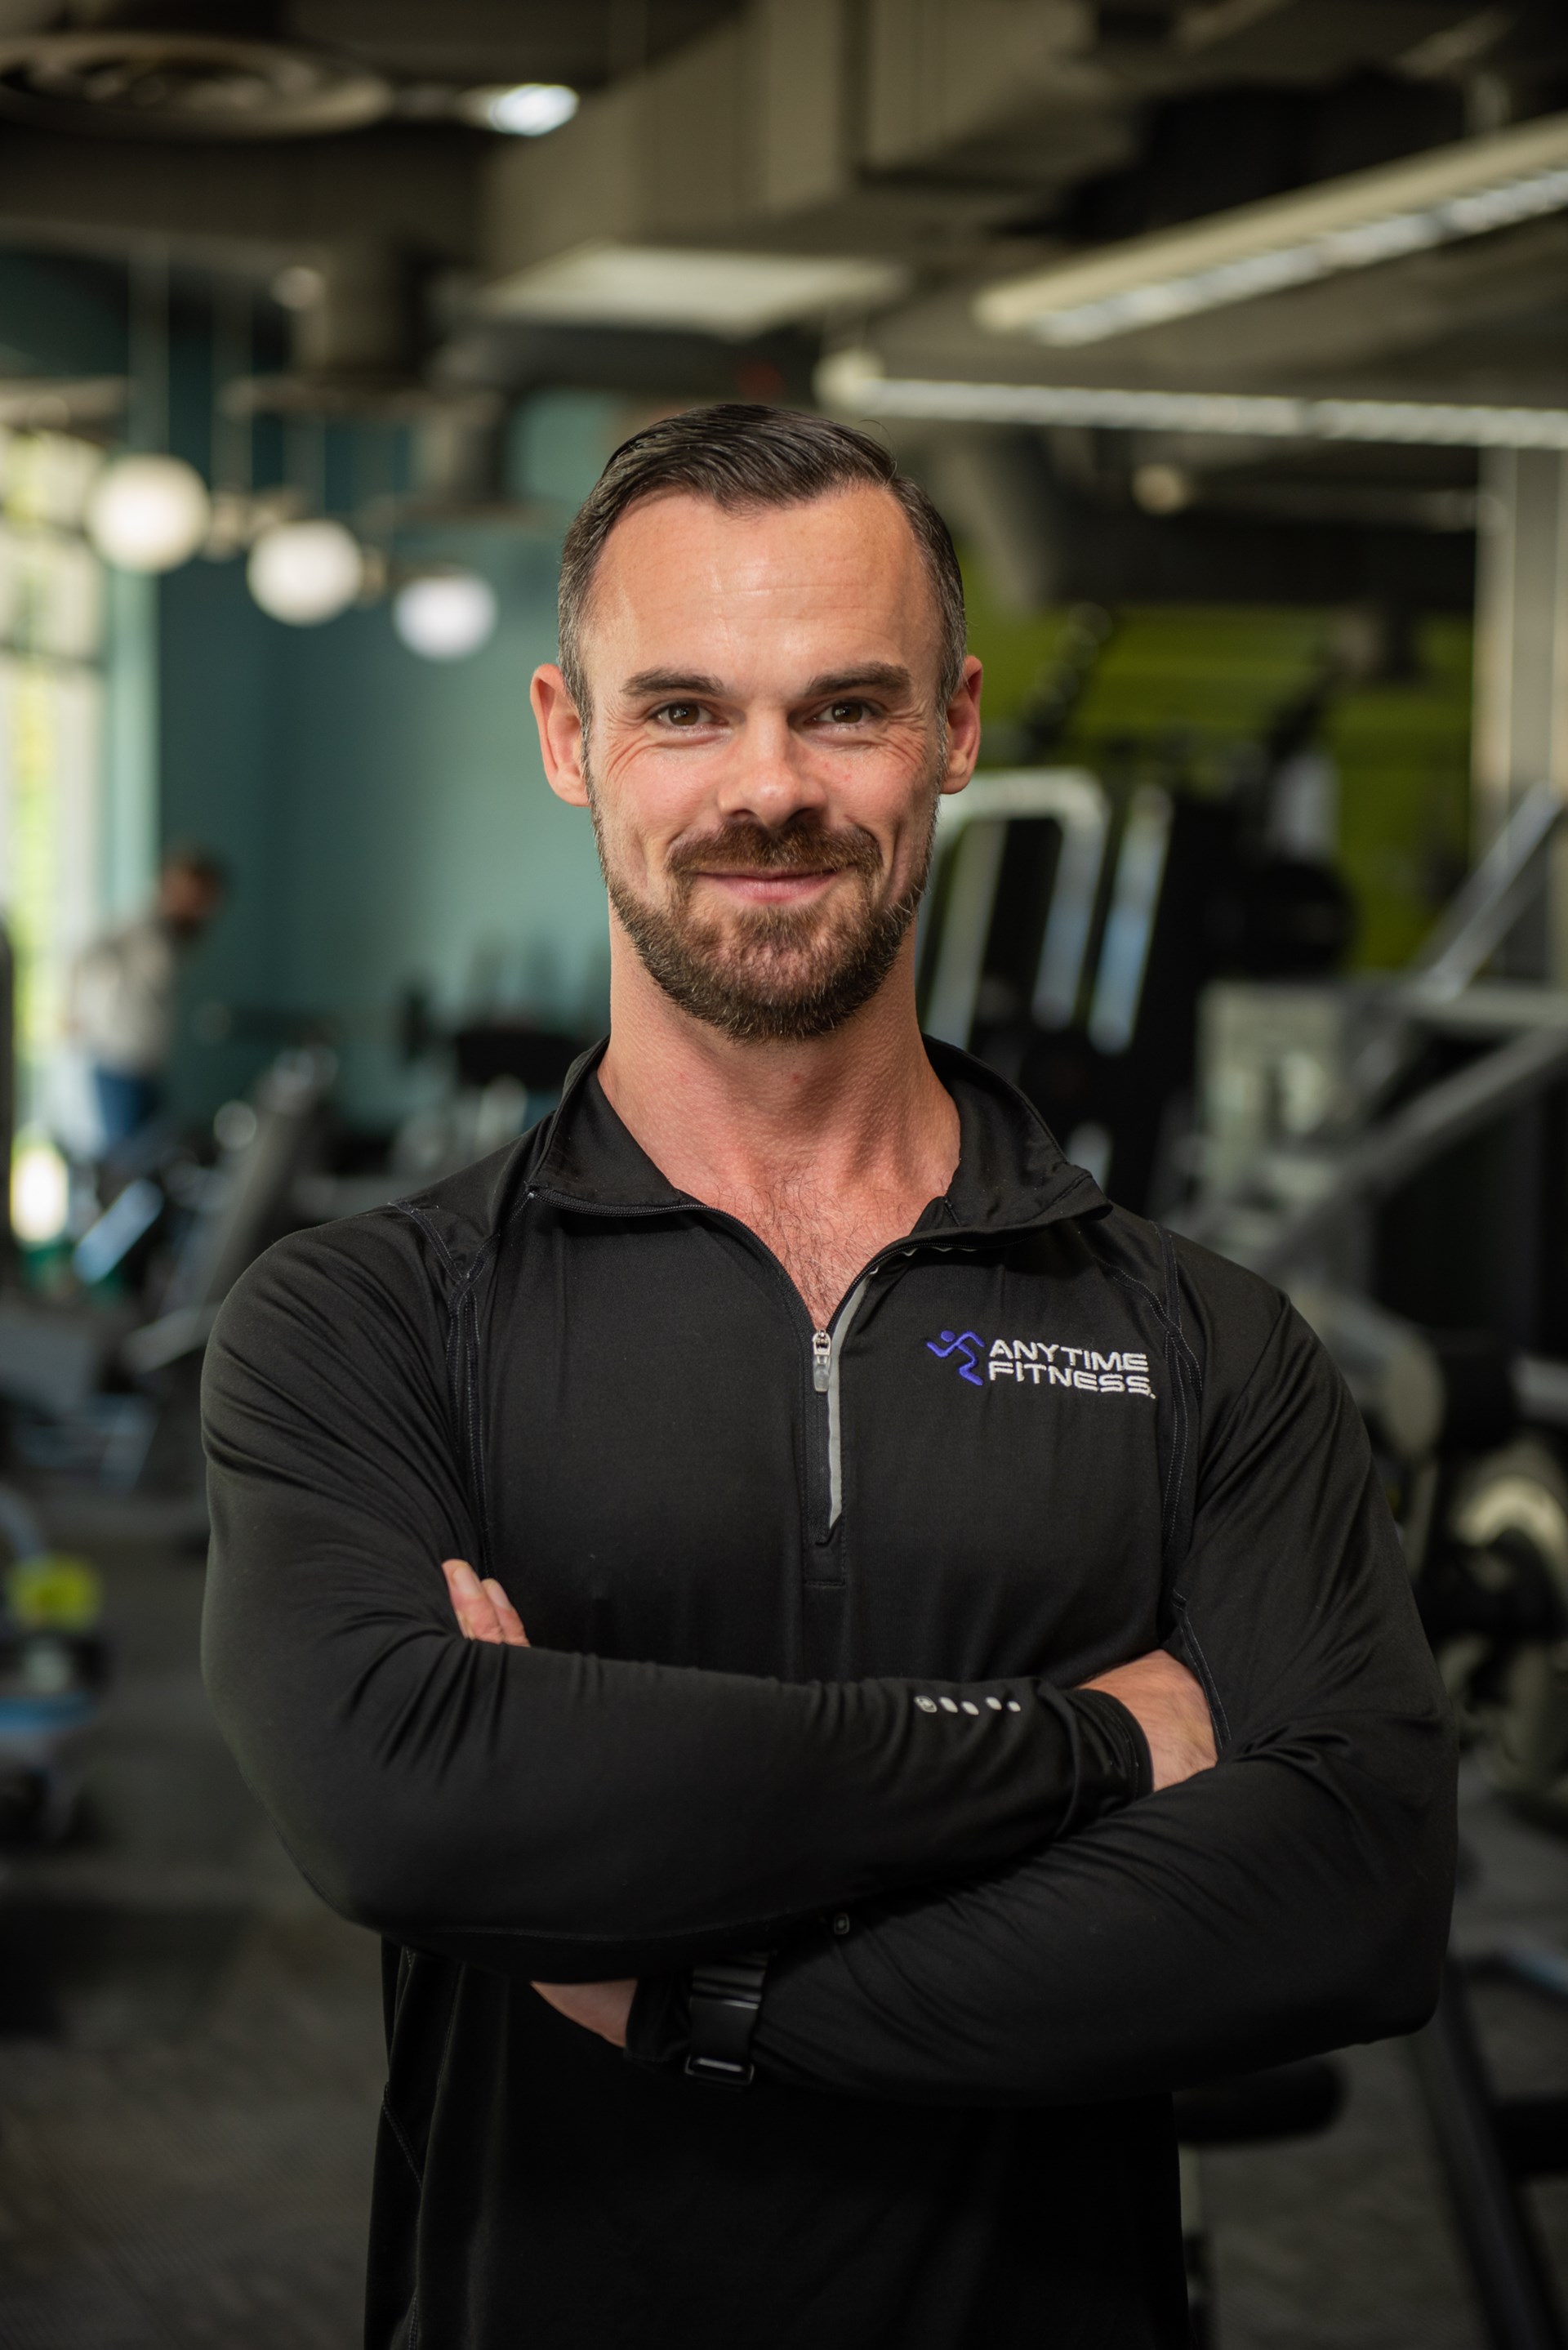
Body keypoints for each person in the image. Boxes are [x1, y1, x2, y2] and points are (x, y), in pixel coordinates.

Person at [201, 406, 1456, 2350]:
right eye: (687, 710)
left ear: (954, 728)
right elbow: (412, 1803)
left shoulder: (1199, 1337)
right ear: (569, 737)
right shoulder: (367, 1315)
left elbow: (1353, 1887)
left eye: (844, 710)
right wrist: (1094, 1753)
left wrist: (718, 2007)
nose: (767, 787)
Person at [72, 846, 227, 1149]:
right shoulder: (140, 926)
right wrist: (75, 1011)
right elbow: (84, 956)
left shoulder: (173, 936)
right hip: (120, 1064)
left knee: (155, 1153)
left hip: (149, 1067)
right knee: (127, 1162)